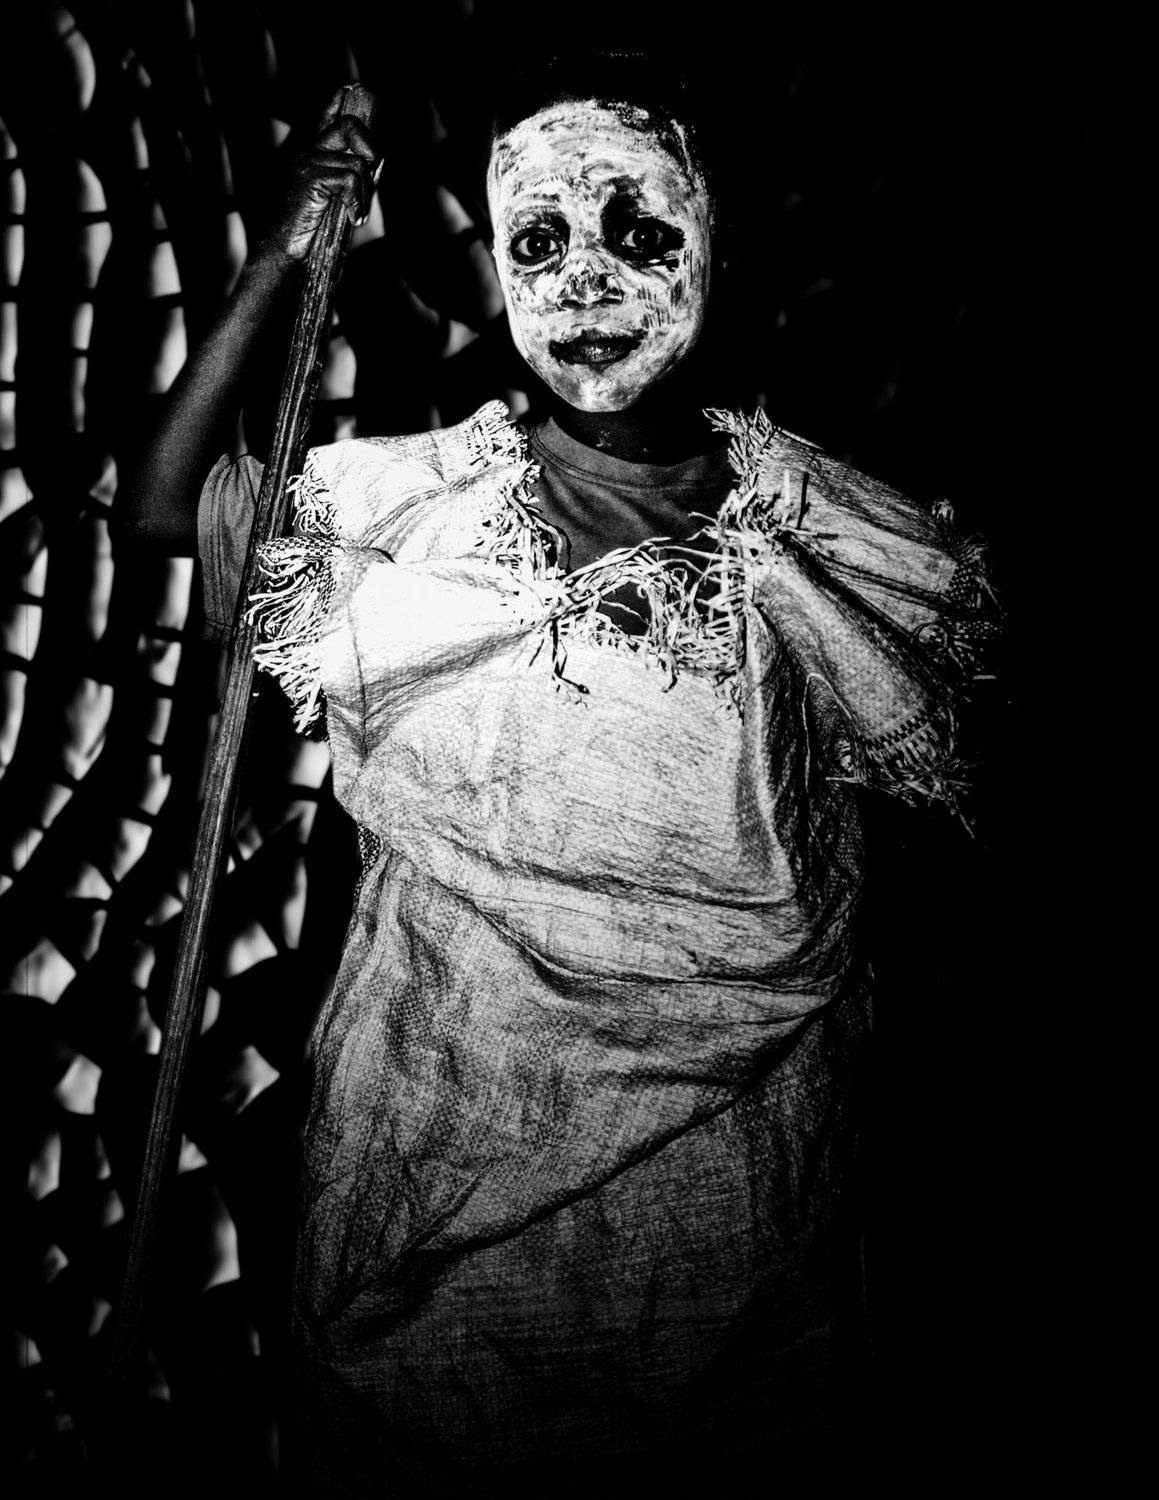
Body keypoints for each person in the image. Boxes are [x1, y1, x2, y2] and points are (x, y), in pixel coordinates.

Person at [118, 50, 997, 1497]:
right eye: (537, 240)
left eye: (636, 230)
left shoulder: (819, 525)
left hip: (736, 1192)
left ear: (713, 245)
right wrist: (285, 253)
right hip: (444, 1144)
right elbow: (165, 505)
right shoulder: (420, 507)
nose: (586, 277)